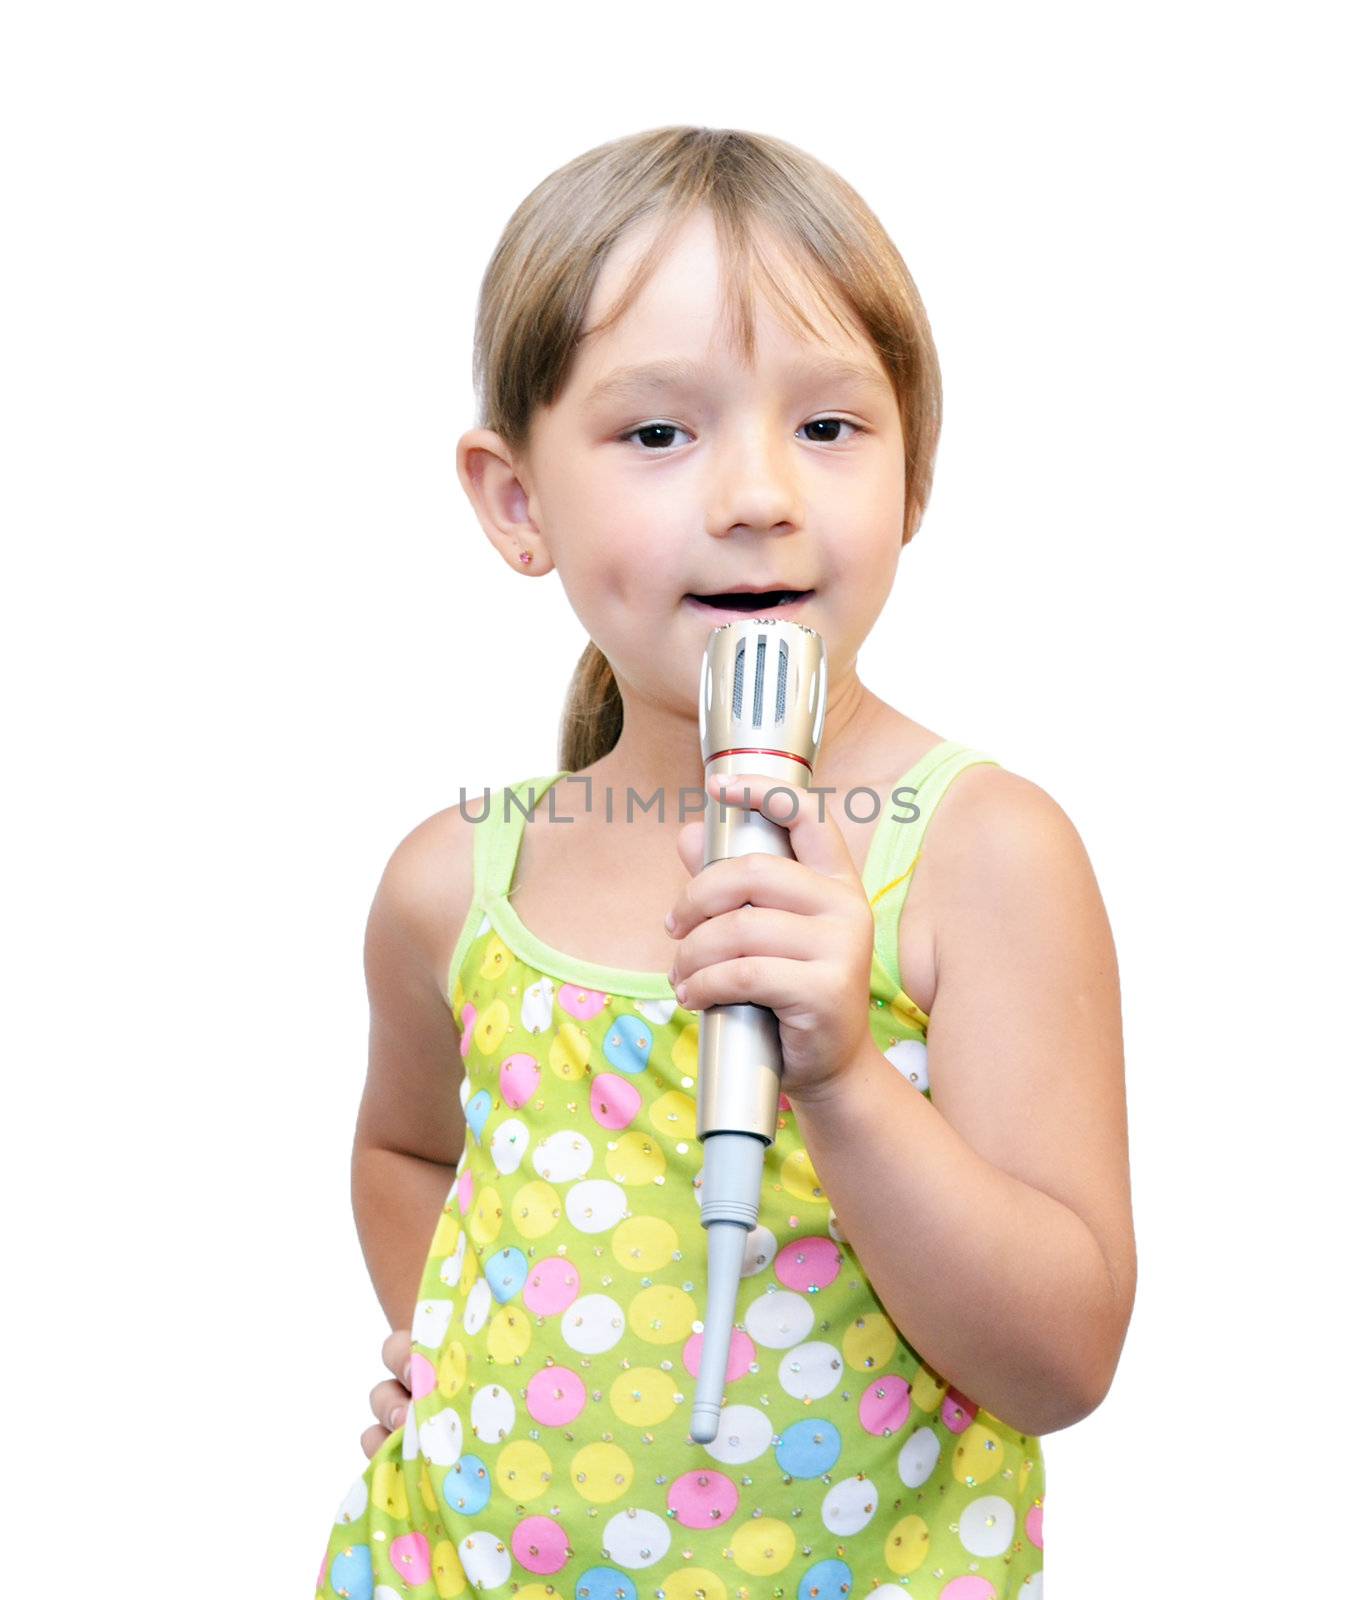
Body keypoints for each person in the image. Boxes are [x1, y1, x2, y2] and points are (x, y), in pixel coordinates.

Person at [314, 125, 1134, 1599]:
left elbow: (1061, 1356)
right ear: (516, 503)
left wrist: (844, 1076)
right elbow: (406, 1152)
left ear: (914, 474)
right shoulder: (456, 880)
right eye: (657, 433)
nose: (759, 492)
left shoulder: (982, 856)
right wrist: (453, 1344)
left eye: (828, 427)